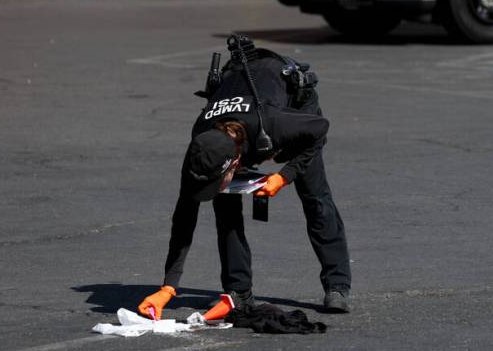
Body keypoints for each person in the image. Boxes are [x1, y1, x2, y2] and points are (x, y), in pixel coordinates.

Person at [138, 36, 352, 319]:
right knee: (225, 209)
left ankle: (337, 285)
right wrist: (168, 286)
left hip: (291, 104)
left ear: (236, 161)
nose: (220, 185)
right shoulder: (202, 146)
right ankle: (238, 292)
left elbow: (320, 130)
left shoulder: (276, 124)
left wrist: (284, 176)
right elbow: (183, 218)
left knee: (315, 196)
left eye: (223, 177)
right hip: (242, 107)